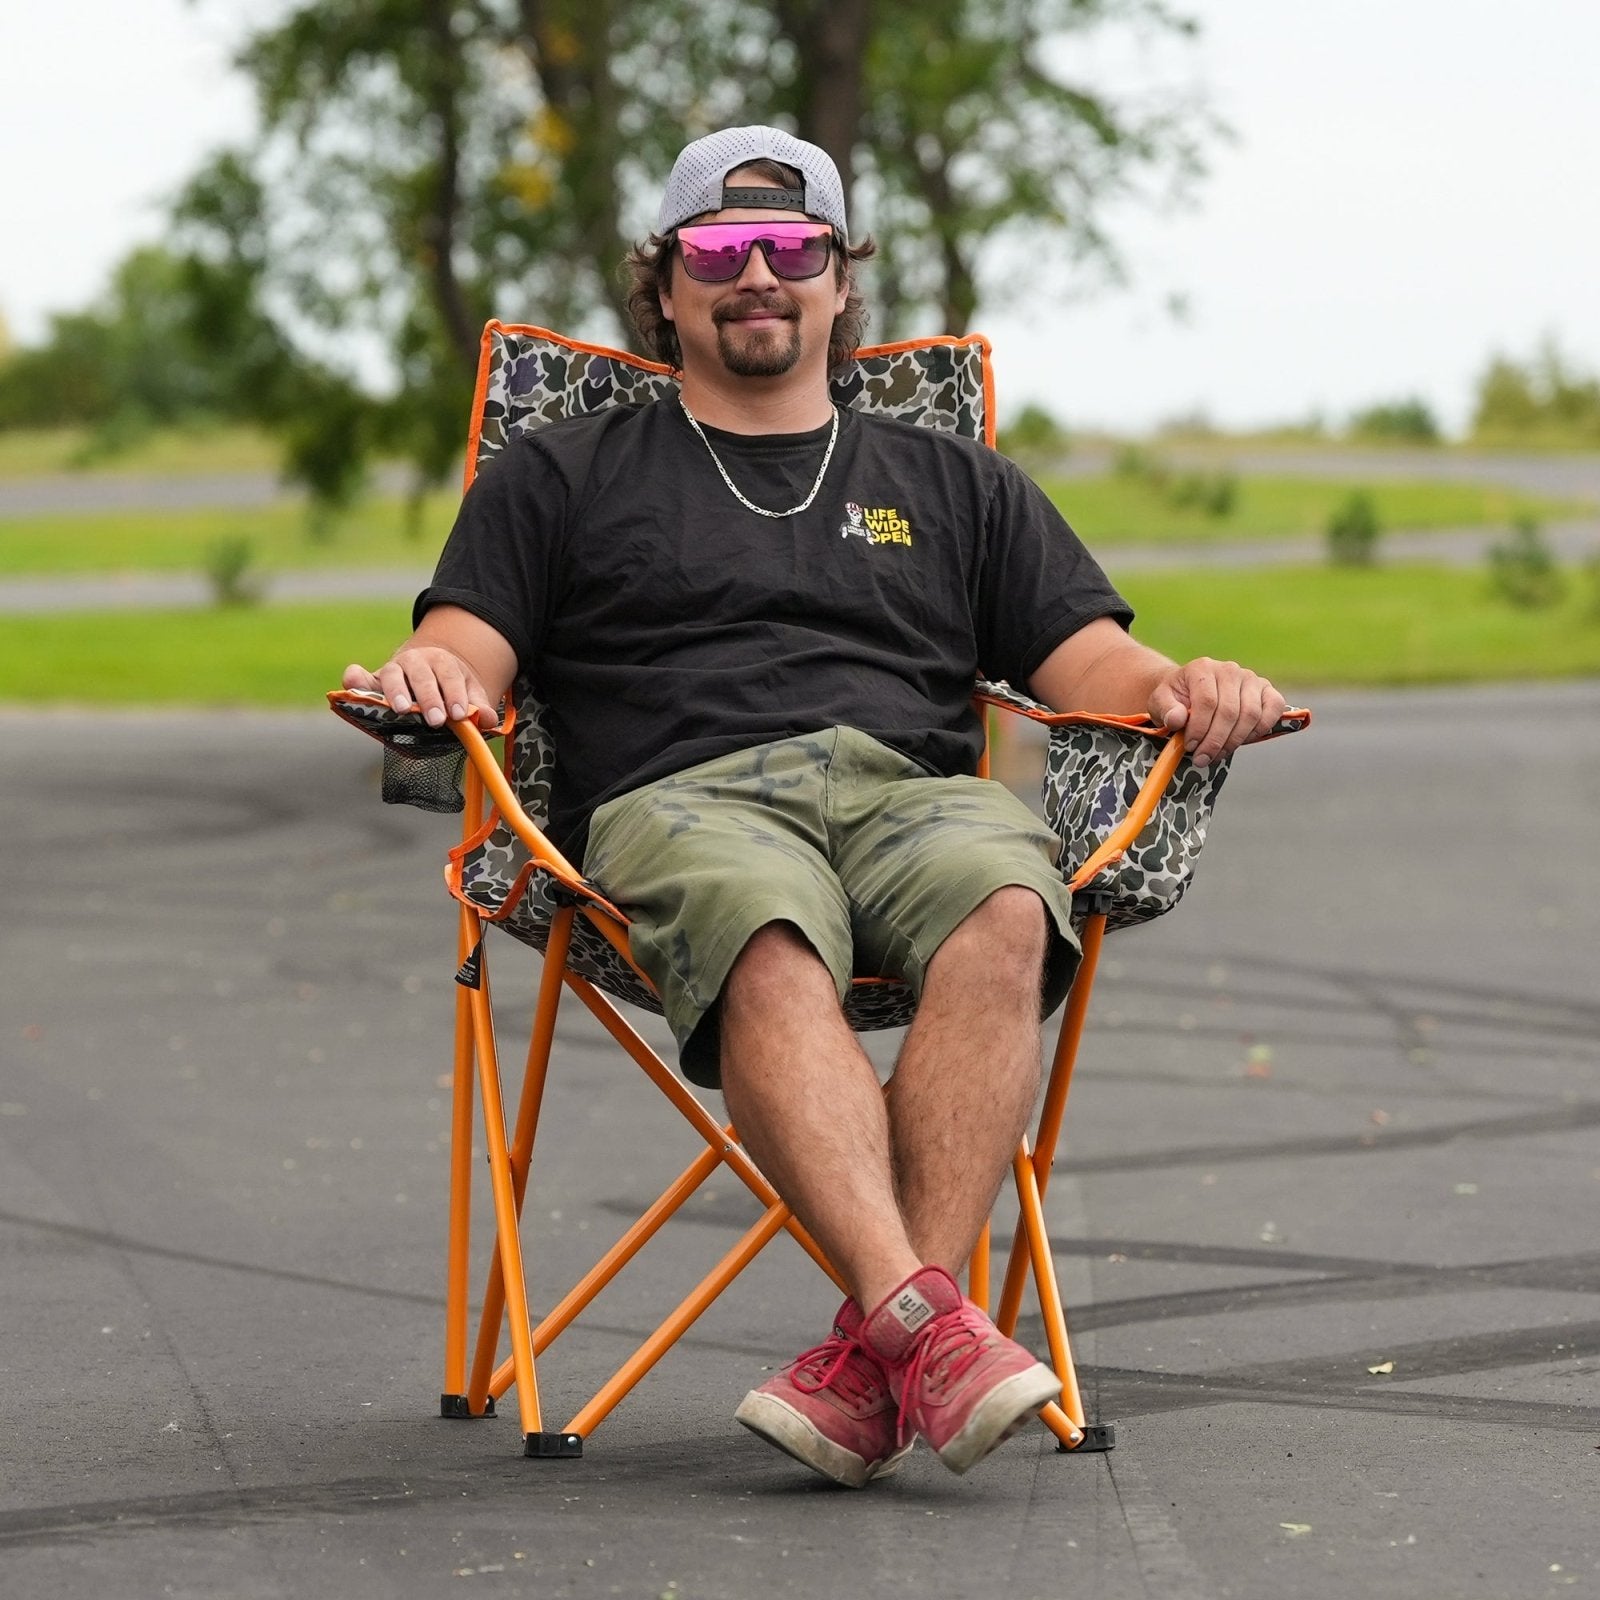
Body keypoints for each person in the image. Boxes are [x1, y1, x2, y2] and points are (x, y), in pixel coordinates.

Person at [344, 125, 1286, 1487]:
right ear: (663, 286)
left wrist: (1194, 683)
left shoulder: (956, 484)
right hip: (682, 810)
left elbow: (1105, 674)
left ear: (844, 281)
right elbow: (463, 653)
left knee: (1012, 898)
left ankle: (886, 1346)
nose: (759, 274)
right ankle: (931, 1323)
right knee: (766, 927)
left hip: (907, 800)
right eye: (719, 250)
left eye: (796, 248)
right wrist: (431, 673)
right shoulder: (557, 475)